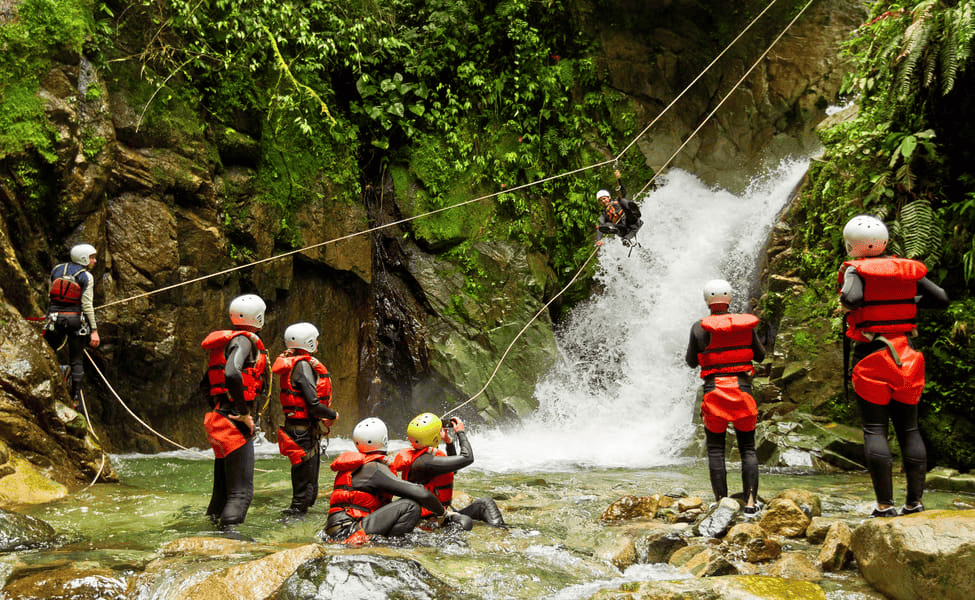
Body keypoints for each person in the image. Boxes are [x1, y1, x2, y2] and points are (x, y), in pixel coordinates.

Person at [838, 215, 948, 517]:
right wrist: (907, 299)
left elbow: (852, 298)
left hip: (872, 358)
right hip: (908, 356)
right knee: (909, 428)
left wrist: (851, 303)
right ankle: (914, 502)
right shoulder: (905, 269)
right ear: (886, 240)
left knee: (875, 429)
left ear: (851, 245)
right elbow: (940, 298)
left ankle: (885, 505)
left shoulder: (855, 270)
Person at [685, 279, 766, 515]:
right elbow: (760, 356)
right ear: (729, 299)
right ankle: (751, 503)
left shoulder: (699, 327)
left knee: (716, 450)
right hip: (742, 391)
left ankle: (721, 501)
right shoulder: (745, 326)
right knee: (748, 448)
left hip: (714, 393)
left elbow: (691, 361)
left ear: (707, 301)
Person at [200, 294, 269, 531]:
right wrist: (242, 412)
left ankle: (210, 531)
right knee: (241, 493)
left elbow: (205, 385)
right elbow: (231, 373)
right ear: (258, 317)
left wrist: (221, 409)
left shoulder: (223, 344)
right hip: (233, 422)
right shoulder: (244, 341)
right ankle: (230, 538)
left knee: (222, 491)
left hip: (218, 418)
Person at [324, 417, 445, 544]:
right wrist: (443, 514)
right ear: (385, 440)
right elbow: (420, 492)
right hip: (349, 533)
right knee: (410, 506)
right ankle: (393, 547)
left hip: (337, 531)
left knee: (406, 503)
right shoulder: (374, 468)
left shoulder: (357, 467)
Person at [390, 413, 505, 531]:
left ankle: (501, 532)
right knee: (466, 521)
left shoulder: (422, 456)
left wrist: (449, 443)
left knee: (484, 503)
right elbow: (467, 458)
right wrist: (460, 432)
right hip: (431, 518)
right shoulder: (426, 462)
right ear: (434, 437)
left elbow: (453, 469)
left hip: (440, 512)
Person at [271, 322, 338, 517]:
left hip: (301, 430)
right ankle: (291, 526)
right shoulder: (302, 366)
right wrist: (333, 415)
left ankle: (300, 524)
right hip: (301, 433)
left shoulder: (297, 364)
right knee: (303, 492)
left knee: (309, 489)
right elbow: (313, 404)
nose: (317, 342)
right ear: (308, 342)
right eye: (315, 340)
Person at [44, 243, 101, 407]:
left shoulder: (56, 270)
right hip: (76, 321)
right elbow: (87, 305)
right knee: (76, 360)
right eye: (92, 257)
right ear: (83, 258)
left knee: (50, 352)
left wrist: (48, 316)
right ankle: (75, 398)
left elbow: (51, 294)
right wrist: (94, 331)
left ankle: (51, 386)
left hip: (54, 319)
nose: (94, 261)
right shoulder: (86, 277)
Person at [595, 169, 643, 247]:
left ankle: (634, 210)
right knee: (607, 225)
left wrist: (619, 179)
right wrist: (598, 240)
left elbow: (622, 192)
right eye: (601, 200)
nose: (603, 201)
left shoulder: (617, 202)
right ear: (599, 203)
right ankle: (614, 230)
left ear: (609, 197)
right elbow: (600, 228)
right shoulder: (604, 215)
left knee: (623, 201)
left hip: (631, 222)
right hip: (623, 230)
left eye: (604, 198)